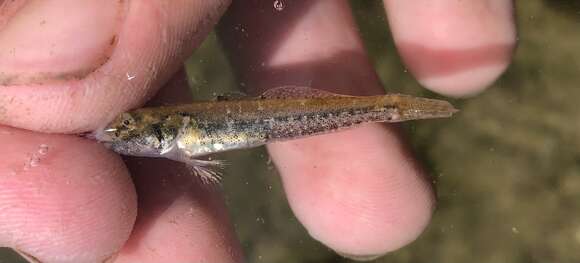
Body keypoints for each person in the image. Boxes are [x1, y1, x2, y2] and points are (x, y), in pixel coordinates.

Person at [0, 1, 516, 262]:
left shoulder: (179, 134)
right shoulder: (177, 135)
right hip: (257, 118)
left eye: (131, 133)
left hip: (265, 117)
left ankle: (390, 108)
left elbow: (186, 148)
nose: (121, 136)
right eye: (129, 133)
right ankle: (389, 107)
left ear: (165, 132)